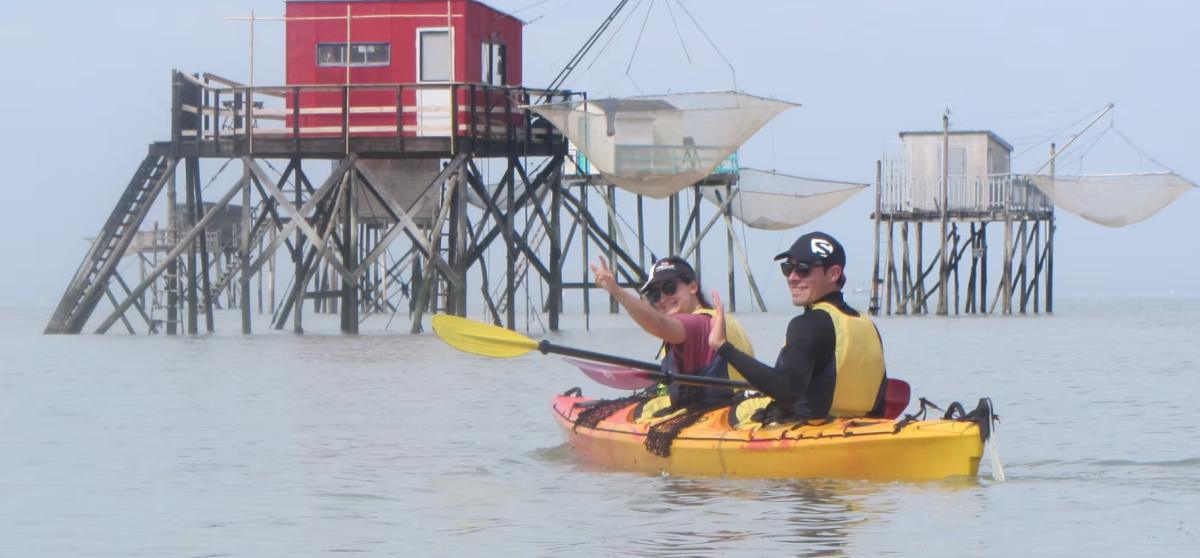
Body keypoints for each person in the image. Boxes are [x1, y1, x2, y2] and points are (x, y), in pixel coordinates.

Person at [707, 231, 887, 421]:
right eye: (787, 268)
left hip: (811, 430)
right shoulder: (867, 324)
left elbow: (786, 390)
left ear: (834, 274)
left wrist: (723, 347)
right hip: (863, 425)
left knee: (738, 409)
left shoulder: (808, 324)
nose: (792, 277)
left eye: (803, 269)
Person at [591, 255, 753, 407]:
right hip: (737, 407)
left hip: (719, 415)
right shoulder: (724, 318)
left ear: (693, 287)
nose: (662, 298)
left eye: (670, 288)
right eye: (654, 295)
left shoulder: (699, 323)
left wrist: (617, 292)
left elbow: (660, 324)